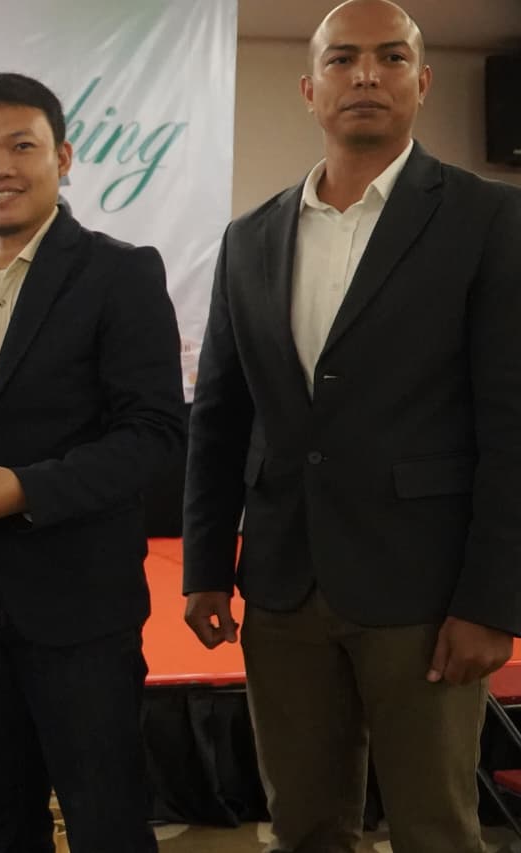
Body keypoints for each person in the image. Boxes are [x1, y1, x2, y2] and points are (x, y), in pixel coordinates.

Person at [182, 2, 521, 850]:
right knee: (302, 826)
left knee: (435, 829)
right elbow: (219, 415)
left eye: (390, 57)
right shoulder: (249, 238)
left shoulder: (488, 219)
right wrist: (204, 568)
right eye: (341, 59)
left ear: (422, 81)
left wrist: (492, 600)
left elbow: (510, 422)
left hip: (424, 590)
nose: (365, 74)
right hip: (282, 584)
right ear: (310, 88)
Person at [0, 72, 185, 853]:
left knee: (107, 824)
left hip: (81, 606)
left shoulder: (121, 273)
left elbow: (156, 433)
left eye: (21, 146)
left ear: (62, 157)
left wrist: (28, 488)